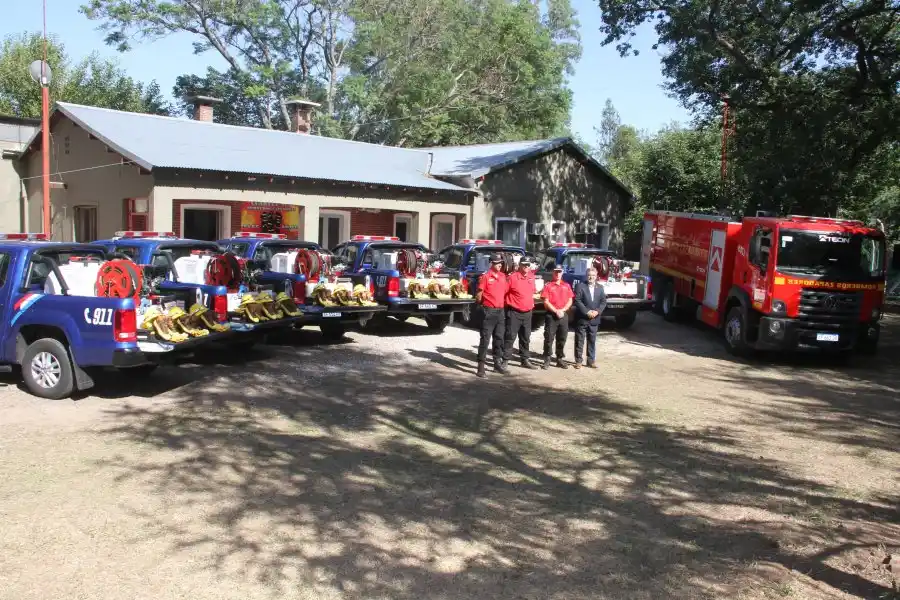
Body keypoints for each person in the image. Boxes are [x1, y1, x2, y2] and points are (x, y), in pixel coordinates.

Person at [474, 252, 509, 378]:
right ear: (491, 264)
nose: (499, 265)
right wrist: (482, 306)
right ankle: (481, 367)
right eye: (497, 263)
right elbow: (479, 294)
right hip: (489, 310)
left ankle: (496, 363)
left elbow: (505, 291)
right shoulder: (486, 277)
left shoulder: (503, 276)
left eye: (500, 263)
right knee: (485, 339)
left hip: (500, 311)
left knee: (499, 338)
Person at [504, 256, 537, 369]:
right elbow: (504, 292)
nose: (526, 267)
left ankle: (525, 359)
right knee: (510, 337)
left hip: (528, 312)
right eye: (524, 265)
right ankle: (505, 360)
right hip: (514, 312)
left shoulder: (531, 277)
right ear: (520, 265)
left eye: (528, 265)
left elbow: (532, 291)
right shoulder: (512, 278)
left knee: (526, 337)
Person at [540, 265, 574, 369]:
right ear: (553, 273)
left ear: (562, 272)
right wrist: (556, 311)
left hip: (563, 315)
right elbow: (546, 301)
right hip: (551, 315)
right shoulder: (548, 286)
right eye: (556, 272)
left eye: (559, 272)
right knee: (549, 338)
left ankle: (559, 359)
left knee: (562, 338)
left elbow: (570, 300)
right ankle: (547, 359)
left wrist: (563, 310)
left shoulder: (566, 285)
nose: (558, 274)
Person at [573, 266, 606, 369]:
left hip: (594, 319)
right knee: (579, 340)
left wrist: (597, 311)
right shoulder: (580, 286)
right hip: (582, 318)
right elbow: (577, 300)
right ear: (586, 276)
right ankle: (578, 361)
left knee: (592, 340)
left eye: (593, 275)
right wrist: (587, 312)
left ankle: (591, 361)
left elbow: (603, 302)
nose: (591, 277)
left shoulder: (600, 287)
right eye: (589, 275)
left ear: (596, 276)